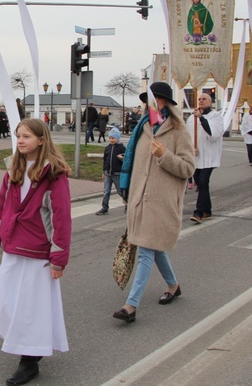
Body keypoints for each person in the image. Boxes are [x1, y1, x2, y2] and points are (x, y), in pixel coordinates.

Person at [0, 118, 72, 385]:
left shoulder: (54, 174)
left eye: (26, 137)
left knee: (30, 309)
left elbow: (62, 219)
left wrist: (58, 259)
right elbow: (2, 208)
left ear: (41, 140)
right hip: (12, 248)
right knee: (5, 304)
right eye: (18, 136)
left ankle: (29, 362)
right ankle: (25, 349)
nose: (20, 141)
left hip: (38, 253)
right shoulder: (13, 169)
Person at [113, 82, 195, 324]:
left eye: (154, 100)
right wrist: (128, 190)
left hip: (162, 202)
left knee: (146, 251)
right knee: (153, 246)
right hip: (140, 200)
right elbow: (136, 166)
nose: (149, 105)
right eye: (147, 101)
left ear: (164, 102)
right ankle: (173, 285)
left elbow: (188, 168)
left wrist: (164, 156)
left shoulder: (179, 131)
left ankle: (131, 306)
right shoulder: (143, 129)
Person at [185, 93, 224, 224]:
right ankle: (207, 210)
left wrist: (201, 118)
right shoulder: (191, 118)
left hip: (208, 156)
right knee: (200, 183)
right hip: (196, 156)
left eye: (204, 99)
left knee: (202, 182)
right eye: (199, 99)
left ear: (210, 102)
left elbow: (214, 134)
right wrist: (190, 148)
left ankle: (199, 212)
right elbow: (187, 136)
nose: (201, 101)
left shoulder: (215, 116)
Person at [96, 127, 126, 215]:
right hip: (108, 173)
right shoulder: (107, 148)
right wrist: (103, 171)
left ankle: (127, 203)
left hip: (117, 173)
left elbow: (127, 160)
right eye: (110, 138)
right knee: (106, 191)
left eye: (113, 138)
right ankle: (104, 207)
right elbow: (105, 160)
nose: (111, 140)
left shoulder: (122, 148)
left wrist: (122, 158)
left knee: (120, 191)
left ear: (118, 138)